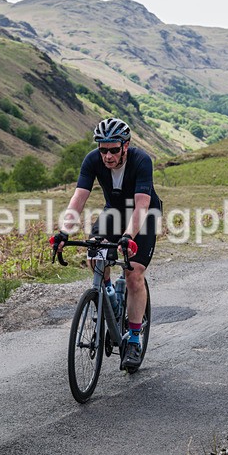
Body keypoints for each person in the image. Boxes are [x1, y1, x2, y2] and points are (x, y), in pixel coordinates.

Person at [52, 118, 162, 370]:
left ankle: (133, 340)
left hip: (143, 215)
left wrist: (128, 236)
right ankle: (110, 297)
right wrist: (64, 231)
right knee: (95, 255)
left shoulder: (141, 160)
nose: (108, 156)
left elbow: (142, 205)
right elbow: (79, 197)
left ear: (126, 146)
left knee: (133, 273)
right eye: (103, 149)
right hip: (114, 213)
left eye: (113, 149)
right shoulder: (92, 160)